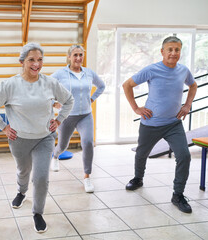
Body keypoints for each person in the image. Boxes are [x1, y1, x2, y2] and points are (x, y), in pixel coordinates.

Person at [0, 42, 74, 233]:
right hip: (19, 139)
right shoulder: (10, 85)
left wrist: (59, 121)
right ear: (22, 62)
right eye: (31, 60)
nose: (36, 64)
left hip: (45, 137)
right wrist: (3, 127)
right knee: (23, 171)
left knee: (41, 177)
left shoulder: (50, 83)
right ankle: (21, 192)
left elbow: (69, 100)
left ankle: (37, 213)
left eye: (40, 60)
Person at [122, 36, 197, 213]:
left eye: (176, 50)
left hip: (173, 123)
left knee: (184, 156)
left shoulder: (183, 71)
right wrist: (136, 108)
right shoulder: (152, 69)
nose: (173, 53)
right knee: (142, 154)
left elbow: (193, 86)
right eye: (169, 49)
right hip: (151, 123)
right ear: (162, 52)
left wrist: (187, 105)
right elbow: (127, 85)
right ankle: (138, 178)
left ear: (180, 52)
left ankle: (177, 195)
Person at [50, 44, 105, 193]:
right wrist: (54, 103)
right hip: (67, 116)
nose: (78, 58)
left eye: (81, 55)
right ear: (69, 57)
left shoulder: (89, 73)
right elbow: (45, 88)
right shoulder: (61, 74)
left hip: (85, 115)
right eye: (75, 55)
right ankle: (55, 156)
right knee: (63, 145)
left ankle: (87, 177)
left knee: (87, 142)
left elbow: (101, 86)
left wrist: (92, 99)